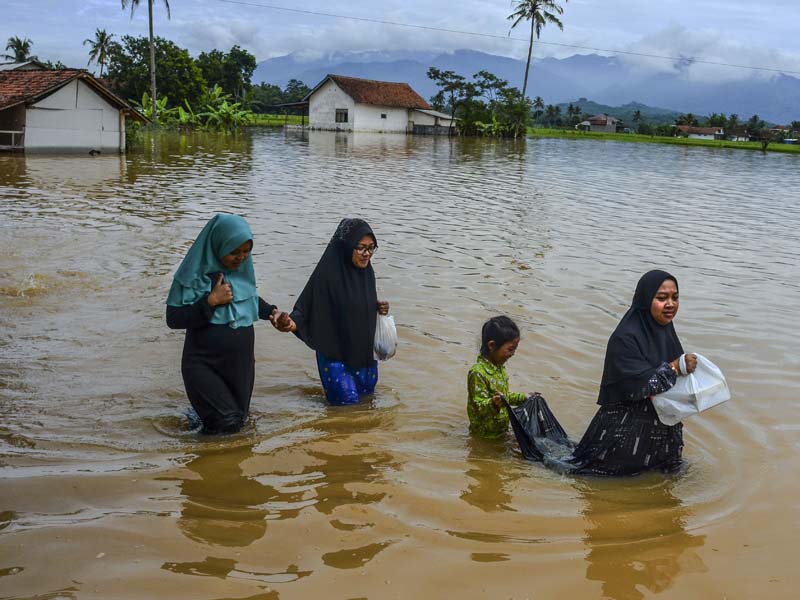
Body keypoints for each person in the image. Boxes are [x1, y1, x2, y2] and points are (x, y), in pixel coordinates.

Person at [506, 270, 698, 476]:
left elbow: (676, 384)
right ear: (645, 300)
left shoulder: (667, 333)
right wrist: (674, 368)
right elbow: (638, 386)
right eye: (662, 298)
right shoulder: (624, 338)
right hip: (625, 436)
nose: (670, 304)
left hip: (661, 434)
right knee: (596, 478)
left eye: (675, 297)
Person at [166, 213, 285, 434]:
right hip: (203, 364)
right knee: (226, 424)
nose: (241, 257)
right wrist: (210, 302)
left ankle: (195, 422)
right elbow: (173, 319)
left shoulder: (242, 274)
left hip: (240, 367)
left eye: (246, 251)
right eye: (234, 252)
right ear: (218, 245)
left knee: (239, 422)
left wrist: (273, 313)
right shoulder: (191, 278)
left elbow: (250, 300)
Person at [279, 218, 390, 405]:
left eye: (371, 248)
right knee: (346, 407)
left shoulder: (367, 274)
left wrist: (378, 308)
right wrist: (290, 323)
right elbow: (306, 308)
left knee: (367, 403)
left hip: (364, 357)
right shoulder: (327, 275)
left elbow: (357, 307)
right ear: (346, 247)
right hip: (335, 356)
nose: (367, 254)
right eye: (361, 248)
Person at [467, 316, 533, 439]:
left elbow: (504, 397)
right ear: (492, 345)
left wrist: (523, 398)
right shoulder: (477, 373)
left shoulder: (499, 368)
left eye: (514, 349)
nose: (513, 354)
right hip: (485, 436)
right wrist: (493, 403)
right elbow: (478, 406)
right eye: (510, 349)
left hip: (501, 432)